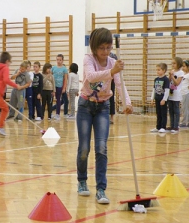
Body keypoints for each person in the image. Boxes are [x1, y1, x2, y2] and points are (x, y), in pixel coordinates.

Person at [76, 27, 133, 204]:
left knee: (101, 148)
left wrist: (127, 102)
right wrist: (112, 71)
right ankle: (82, 181)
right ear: (94, 47)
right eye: (102, 48)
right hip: (85, 106)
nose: (105, 52)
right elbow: (92, 77)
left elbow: (120, 84)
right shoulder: (88, 59)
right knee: (84, 148)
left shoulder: (112, 62)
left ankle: (101, 189)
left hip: (102, 108)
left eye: (108, 48)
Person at [150, 63, 170, 133]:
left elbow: (167, 90)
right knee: (158, 113)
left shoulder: (166, 79)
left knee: (163, 113)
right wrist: (152, 98)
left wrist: (164, 99)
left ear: (164, 70)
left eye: (159, 70)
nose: (157, 71)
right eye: (157, 70)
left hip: (162, 99)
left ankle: (163, 127)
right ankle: (158, 127)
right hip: (157, 98)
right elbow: (154, 89)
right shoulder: (156, 79)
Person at [167, 57, 184, 133]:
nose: (172, 65)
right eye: (172, 63)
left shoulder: (181, 72)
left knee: (176, 110)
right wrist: (170, 76)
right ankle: (172, 125)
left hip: (177, 94)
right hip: (170, 93)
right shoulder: (172, 71)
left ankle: (176, 126)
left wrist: (173, 76)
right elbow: (169, 81)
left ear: (179, 64)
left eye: (174, 63)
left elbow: (177, 83)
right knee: (170, 110)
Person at [52, 54, 69, 120]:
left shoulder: (64, 69)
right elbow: (50, 77)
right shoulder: (53, 68)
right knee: (51, 100)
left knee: (58, 100)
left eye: (60, 60)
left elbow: (65, 79)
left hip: (59, 86)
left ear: (62, 60)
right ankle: (50, 113)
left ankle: (57, 114)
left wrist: (64, 88)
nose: (58, 61)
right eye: (57, 60)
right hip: (53, 87)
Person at [179, 60, 189, 128]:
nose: (183, 67)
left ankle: (184, 122)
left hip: (187, 93)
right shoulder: (184, 75)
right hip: (183, 93)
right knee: (186, 107)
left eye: (184, 66)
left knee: (185, 108)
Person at [109, 52, 117, 124]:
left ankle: (111, 117)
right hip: (103, 79)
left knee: (111, 98)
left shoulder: (113, 56)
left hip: (111, 80)